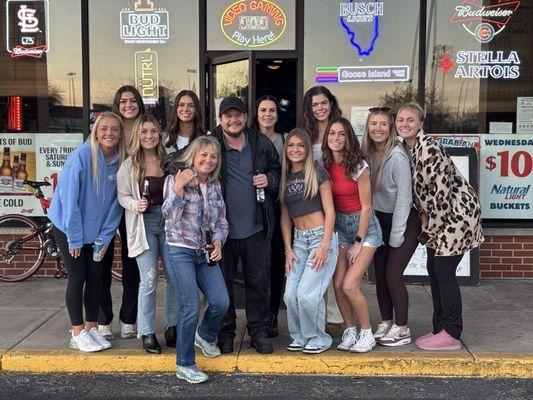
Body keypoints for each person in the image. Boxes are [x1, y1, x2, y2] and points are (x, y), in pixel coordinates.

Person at [396, 102, 483, 351]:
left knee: (443, 270)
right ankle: (439, 328)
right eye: (400, 119)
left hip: (457, 215)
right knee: (433, 268)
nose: (404, 123)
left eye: (410, 119)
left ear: (421, 123)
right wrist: (424, 218)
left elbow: (440, 196)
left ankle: (451, 332)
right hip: (439, 217)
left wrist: (429, 230)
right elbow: (421, 195)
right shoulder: (408, 149)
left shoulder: (429, 149)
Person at [48, 112, 126, 352]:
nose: (109, 133)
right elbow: (69, 200)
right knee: (78, 277)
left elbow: (116, 204)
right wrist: (74, 237)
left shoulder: (121, 160)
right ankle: (77, 331)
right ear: (95, 131)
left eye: (114, 129)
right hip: (69, 229)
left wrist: (104, 237)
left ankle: (91, 328)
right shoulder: (81, 156)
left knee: (96, 279)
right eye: (104, 129)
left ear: (121, 133)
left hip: (97, 234)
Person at [212, 96, 281, 354]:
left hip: (256, 227)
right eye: (228, 115)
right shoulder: (211, 144)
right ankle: (226, 331)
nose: (233, 119)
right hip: (223, 231)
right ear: (221, 119)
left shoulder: (260, 142)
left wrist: (270, 179)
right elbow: (179, 163)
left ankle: (259, 331)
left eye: (237, 114)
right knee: (223, 284)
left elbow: (278, 170)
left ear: (244, 116)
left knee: (258, 283)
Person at [162, 136, 229, 384]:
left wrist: (220, 242)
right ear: (193, 156)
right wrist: (178, 189)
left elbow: (221, 220)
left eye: (213, 157)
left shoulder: (214, 185)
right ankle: (185, 364)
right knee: (190, 305)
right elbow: (169, 216)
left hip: (205, 251)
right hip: (180, 250)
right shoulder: (175, 179)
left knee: (221, 301)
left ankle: (205, 334)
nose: (208, 160)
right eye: (203, 155)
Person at [117, 114, 178, 354]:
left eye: (153, 131)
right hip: (144, 224)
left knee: (174, 278)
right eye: (144, 132)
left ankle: (172, 326)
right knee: (150, 278)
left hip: (171, 223)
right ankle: (147, 331)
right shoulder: (129, 165)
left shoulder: (169, 160)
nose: (149, 136)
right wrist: (135, 205)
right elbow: (122, 196)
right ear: (137, 136)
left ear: (159, 134)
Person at [323, 117, 383, 353]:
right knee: (337, 284)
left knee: (349, 285)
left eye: (341, 134)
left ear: (349, 138)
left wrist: (358, 242)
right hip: (340, 227)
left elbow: (367, 207)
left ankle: (367, 333)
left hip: (364, 228)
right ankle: (350, 330)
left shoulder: (359, 166)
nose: (336, 138)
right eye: (331, 134)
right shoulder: (325, 165)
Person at [361, 107, 420, 346]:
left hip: (404, 221)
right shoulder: (367, 153)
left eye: (383, 124)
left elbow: (405, 198)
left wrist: (397, 234)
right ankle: (386, 322)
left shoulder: (397, 156)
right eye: (373, 124)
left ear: (391, 128)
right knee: (380, 275)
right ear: (368, 127)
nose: (378, 128)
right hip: (379, 221)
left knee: (393, 274)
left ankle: (402, 328)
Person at [280, 129, 339, 354]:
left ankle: (319, 337)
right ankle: (300, 336)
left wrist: (324, 246)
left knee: (308, 293)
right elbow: (286, 217)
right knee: (290, 293)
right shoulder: (286, 175)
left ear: (307, 149)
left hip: (320, 237)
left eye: (300, 145)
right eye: (291, 145)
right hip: (298, 242)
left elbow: (330, 212)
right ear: (286, 149)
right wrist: (287, 249)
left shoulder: (317, 172)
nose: (295, 150)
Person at [98, 86, 146, 341]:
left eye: (133, 100)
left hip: (132, 205)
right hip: (105, 204)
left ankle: (129, 319)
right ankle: (103, 319)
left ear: (140, 103)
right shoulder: (108, 128)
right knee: (101, 261)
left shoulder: (146, 128)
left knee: (132, 264)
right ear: (117, 104)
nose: (129, 105)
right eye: (123, 101)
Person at [298, 86, 344, 336]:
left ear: (331, 103)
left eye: (324, 103)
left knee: (336, 261)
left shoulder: (340, 129)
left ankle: (335, 314)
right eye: (314, 104)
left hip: (341, 198)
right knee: (318, 258)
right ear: (309, 107)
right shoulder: (306, 133)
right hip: (314, 202)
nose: (319, 108)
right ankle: (318, 311)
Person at [251, 95, 285, 337]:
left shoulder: (285, 140)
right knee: (258, 265)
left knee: (276, 262)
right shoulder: (249, 138)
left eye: (272, 110)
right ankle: (258, 315)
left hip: (280, 208)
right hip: (254, 210)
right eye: (263, 110)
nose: (267, 114)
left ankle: (272, 314)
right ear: (256, 113)